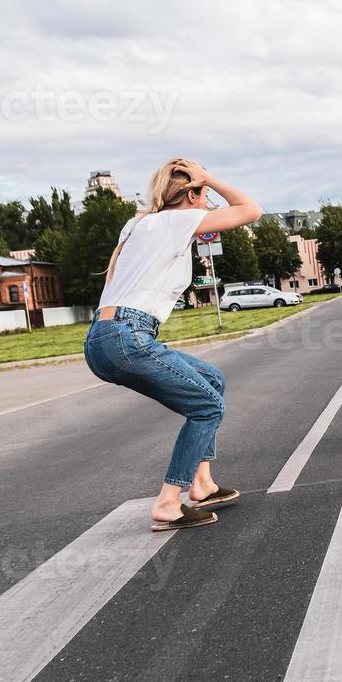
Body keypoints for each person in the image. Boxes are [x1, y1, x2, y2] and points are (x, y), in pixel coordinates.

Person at [84, 159, 263, 531]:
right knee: (207, 406)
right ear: (191, 195)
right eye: (205, 196)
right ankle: (169, 502)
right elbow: (250, 211)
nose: (208, 205)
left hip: (103, 336)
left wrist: (201, 183)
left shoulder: (136, 225)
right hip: (126, 334)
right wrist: (209, 176)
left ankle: (203, 484)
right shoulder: (175, 219)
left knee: (211, 380)